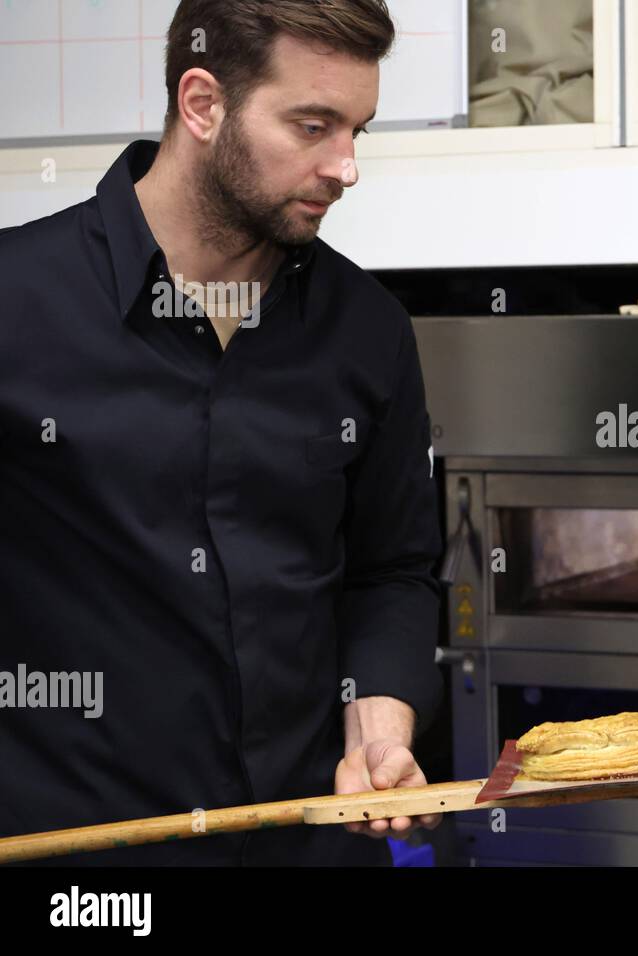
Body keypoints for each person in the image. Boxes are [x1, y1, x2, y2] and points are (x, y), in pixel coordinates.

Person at [0, 0, 444, 865]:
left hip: (309, 842)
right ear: (202, 104)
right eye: (312, 126)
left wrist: (379, 727)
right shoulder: (15, 303)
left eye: (358, 130)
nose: (345, 166)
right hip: (81, 869)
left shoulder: (369, 329)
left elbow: (393, 571)